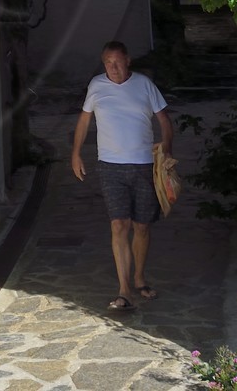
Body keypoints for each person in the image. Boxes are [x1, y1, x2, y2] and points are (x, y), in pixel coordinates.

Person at [70, 40, 173, 312]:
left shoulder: (144, 85)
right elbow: (84, 120)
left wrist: (166, 153)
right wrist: (76, 153)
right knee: (119, 225)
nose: (112, 68)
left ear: (128, 60)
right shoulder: (96, 86)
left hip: (143, 165)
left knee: (142, 226)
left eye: (116, 62)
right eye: (107, 63)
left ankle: (139, 278)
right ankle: (124, 289)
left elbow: (164, 120)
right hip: (110, 166)